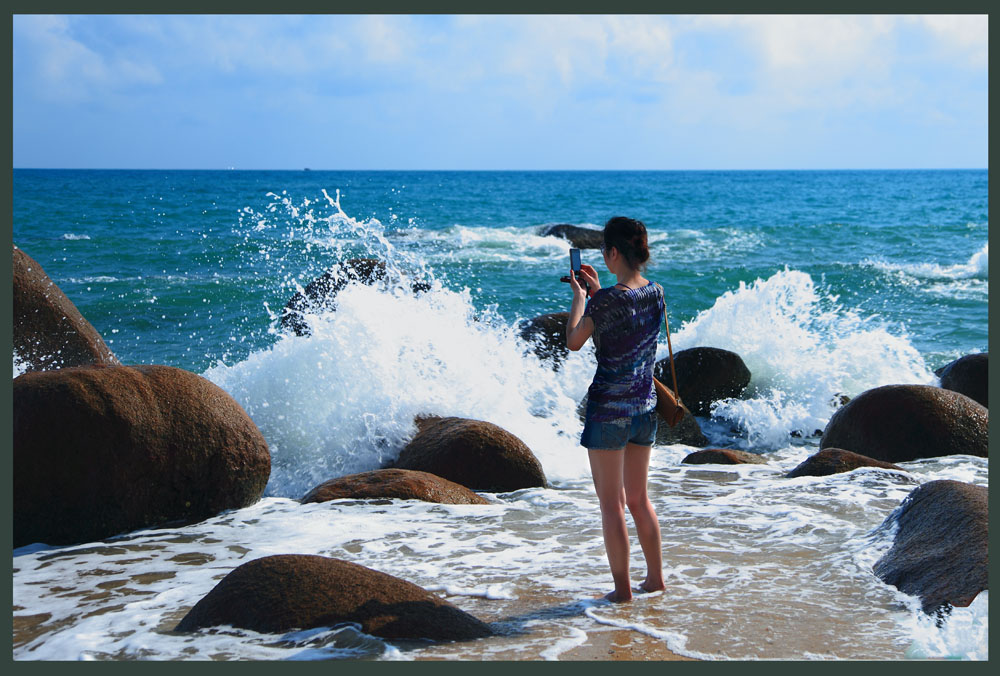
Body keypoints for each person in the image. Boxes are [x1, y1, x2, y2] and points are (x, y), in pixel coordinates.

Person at [566, 216, 666, 603]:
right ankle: (655, 579)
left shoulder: (606, 300)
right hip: (644, 410)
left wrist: (580, 297)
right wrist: (597, 294)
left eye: (605, 252)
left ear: (612, 253)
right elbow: (624, 314)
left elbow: (575, 340)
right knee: (639, 500)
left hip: (609, 411)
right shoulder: (656, 291)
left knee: (612, 504)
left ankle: (622, 590)